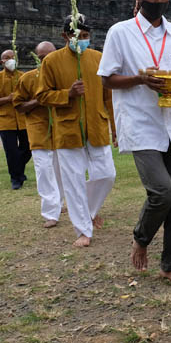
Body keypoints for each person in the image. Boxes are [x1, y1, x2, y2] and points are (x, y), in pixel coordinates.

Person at [99, 0, 171, 288]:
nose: (158, 0)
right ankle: (141, 239)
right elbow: (109, 79)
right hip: (141, 122)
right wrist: (141, 79)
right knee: (162, 192)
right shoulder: (121, 32)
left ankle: (170, 265)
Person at [36, 16, 116, 248]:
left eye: (84, 36)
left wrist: (115, 127)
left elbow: (108, 97)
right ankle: (83, 230)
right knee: (73, 181)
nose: (80, 41)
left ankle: (88, 210)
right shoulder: (51, 61)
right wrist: (66, 94)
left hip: (97, 125)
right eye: (76, 36)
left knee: (107, 175)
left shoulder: (99, 59)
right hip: (68, 129)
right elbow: (42, 95)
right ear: (65, 37)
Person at [13, 42, 65, 229]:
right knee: (44, 170)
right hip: (38, 130)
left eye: (50, 55)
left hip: (61, 129)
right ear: (37, 58)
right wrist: (38, 101)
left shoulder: (63, 75)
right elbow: (18, 106)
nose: (47, 60)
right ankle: (50, 212)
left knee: (61, 171)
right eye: (43, 57)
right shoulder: (27, 79)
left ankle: (59, 202)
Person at [0, 50, 31, 189]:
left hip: (23, 119)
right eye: (7, 58)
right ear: (2, 61)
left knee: (27, 148)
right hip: (6, 121)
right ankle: (16, 178)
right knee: (11, 151)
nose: (11, 60)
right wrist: (8, 98)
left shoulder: (24, 77)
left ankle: (18, 171)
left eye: (13, 57)